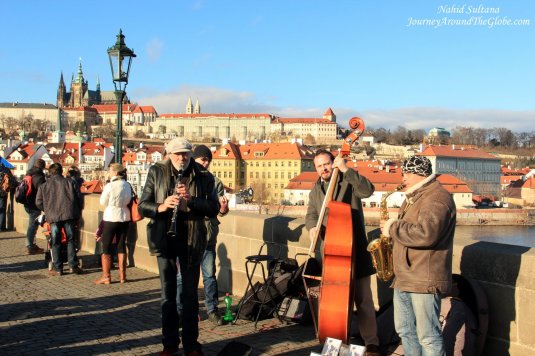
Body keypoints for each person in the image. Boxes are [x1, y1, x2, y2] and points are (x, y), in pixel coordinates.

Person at [138, 137, 219, 356]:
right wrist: (162, 206)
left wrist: (191, 202)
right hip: (164, 238)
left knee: (190, 295)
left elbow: (214, 207)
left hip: (192, 240)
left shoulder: (203, 176)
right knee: (168, 295)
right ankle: (170, 344)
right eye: (177, 154)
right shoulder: (157, 171)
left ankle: (191, 345)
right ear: (168, 154)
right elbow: (142, 205)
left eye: (185, 153)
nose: (182, 158)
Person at [305, 149, 381, 356]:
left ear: (334, 162)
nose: (324, 169)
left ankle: (372, 343)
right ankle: (335, 344)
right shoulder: (316, 189)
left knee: (364, 301)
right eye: (319, 166)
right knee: (334, 304)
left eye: (327, 164)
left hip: (355, 251)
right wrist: (312, 227)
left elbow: (368, 191)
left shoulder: (347, 180)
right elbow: (311, 214)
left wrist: (346, 169)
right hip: (330, 255)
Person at [380, 156, 456, 356]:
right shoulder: (415, 196)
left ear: (418, 174)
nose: (403, 177)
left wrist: (393, 227)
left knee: (428, 336)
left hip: (424, 278)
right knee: (406, 332)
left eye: (406, 173)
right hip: (405, 276)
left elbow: (426, 234)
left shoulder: (437, 198)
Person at [177, 145, 229, 325]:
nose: (205, 163)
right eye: (202, 160)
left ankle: (212, 309)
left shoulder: (216, 182)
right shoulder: (185, 177)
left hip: (208, 235)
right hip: (189, 235)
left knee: (209, 275)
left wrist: (223, 209)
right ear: (194, 160)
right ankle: (181, 310)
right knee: (182, 276)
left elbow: (219, 210)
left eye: (208, 160)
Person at [35, 163, 83, 275]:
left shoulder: (44, 186)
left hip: (53, 217)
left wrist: (47, 209)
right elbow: (79, 200)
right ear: (61, 171)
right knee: (70, 240)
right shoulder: (71, 182)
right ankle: (72, 266)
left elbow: (38, 202)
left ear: (50, 173)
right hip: (69, 215)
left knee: (55, 241)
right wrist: (76, 210)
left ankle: (58, 268)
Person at [94, 163, 132, 284]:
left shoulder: (110, 185)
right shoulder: (127, 185)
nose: (109, 172)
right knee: (121, 245)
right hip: (125, 216)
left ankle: (106, 276)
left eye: (110, 170)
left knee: (106, 246)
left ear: (115, 173)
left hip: (111, 216)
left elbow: (102, 202)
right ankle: (122, 276)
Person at [23, 159, 47, 254]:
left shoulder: (29, 173)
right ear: (42, 167)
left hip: (27, 202)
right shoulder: (39, 177)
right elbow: (42, 192)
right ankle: (30, 246)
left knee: (32, 225)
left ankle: (31, 245)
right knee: (32, 226)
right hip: (34, 204)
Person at [0, 157, 17, 231]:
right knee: (2, 208)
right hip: (2, 192)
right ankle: (1, 227)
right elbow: (13, 181)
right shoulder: (5, 169)